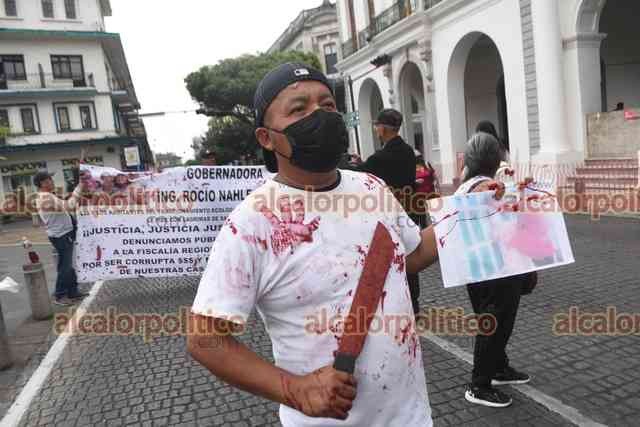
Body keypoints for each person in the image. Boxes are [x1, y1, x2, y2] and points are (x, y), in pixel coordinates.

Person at [187, 63, 497, 426]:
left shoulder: (370, 187)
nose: (319, 115)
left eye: (327, 105)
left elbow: (412, 256)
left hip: (411, 417)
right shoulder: (251, 223)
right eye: (298, 109)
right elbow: (204, 339)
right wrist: (295, 389)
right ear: (266, 138)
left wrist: (470, 204)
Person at [455, 132, 530, 408]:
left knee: (490, 320)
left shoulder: (465, 186)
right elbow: (509, 218)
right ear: (496, 159)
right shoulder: (486, 187)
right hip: (497, 268)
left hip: (478, 267)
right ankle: (479, 385)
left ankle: (498, 367)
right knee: (496, 323)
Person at [346, 109, 422, 315]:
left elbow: (361, 175)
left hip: (388, 216)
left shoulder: (380, 157)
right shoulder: (408, 151)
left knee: (392, 258)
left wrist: (355, 164)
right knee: (410, 254)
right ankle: (414, 302)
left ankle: (398, 303)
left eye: (377, 125)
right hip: (408, 211)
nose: (375, 129)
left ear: (384, 128)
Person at [34, 172, 89, 306]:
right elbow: (69, 206)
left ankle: (72, 291)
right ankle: (60, 295)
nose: (52, 182)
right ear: (42, 183)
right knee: (65, 266)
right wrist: (79, 187)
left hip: (62, 234)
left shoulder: (47, 195)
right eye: (49, 180)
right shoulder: (46, 197)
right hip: (61, 236)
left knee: (68, 265)